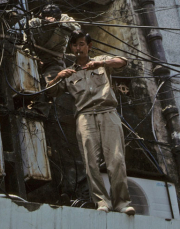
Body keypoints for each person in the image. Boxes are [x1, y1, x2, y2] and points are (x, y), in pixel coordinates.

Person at [46, 30, 135, 215]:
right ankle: (102, 202)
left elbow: (123, 62)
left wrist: (101, 63)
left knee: (116, 159)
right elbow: (50, 92)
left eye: (81, 44)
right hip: (85, 116)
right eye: (74, 45)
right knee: (91, 162)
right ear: (71, 48)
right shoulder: (69, 72)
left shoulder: (101, 62)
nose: (78, 48)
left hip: (108, 112)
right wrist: (58, 77)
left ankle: (121, 203)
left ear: (89, 46)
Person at [29, 4, 81, 80]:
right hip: (35, 58)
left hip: (55, 60)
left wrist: (59, 24)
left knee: (54, 81)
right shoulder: (35, 23)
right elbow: (27, 40)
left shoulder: (64, 19)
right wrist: (34, 57)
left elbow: (77, 32)